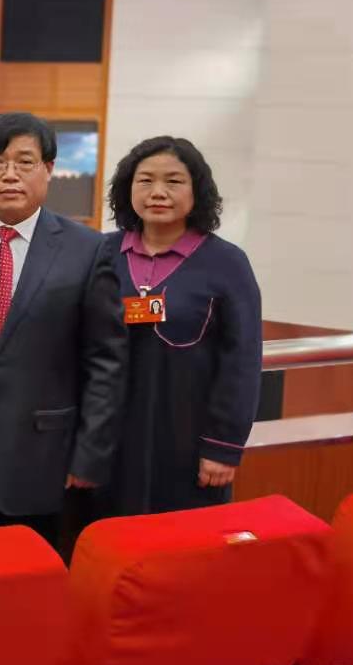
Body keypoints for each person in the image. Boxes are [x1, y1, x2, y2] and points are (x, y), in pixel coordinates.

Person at [0, 112, 126, 549]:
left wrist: (89, 455)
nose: (10, 175)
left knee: (35, 579)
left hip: (45, 460)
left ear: (48, 169)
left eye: (24, 162)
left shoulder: (89, 249)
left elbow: (106, 363)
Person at [104, 136, 262, 514]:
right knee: (104, 536)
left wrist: (223, 447)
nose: (158, 192)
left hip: (187, 438)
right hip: (108, 437)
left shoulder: (227, 263)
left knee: (181, 540)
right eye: (145, 181)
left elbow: (242, 362)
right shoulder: (101, 253)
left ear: (197, 191)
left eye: (173, 181)